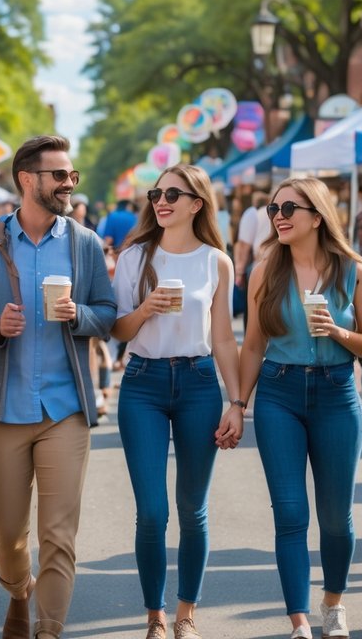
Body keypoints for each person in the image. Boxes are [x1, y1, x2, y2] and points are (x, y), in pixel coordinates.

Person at [0, 135, 117, 639]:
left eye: (72, 175)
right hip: (1, 408)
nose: (69, 183)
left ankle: (49, 630)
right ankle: (18, 589)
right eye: (59, 175)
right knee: (7, 532)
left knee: (58, 533)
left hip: (65, 409)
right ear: (28, 180)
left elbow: (108, 314)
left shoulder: (84, 243)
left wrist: (80, 315)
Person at [236, 177, 362, 639]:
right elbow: (254, 345)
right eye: (272, 208)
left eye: (288, 208)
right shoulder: (265, 271)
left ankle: (333, 603)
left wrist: (339, 334)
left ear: (317, 216)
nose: (278, 215)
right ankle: (299, 619)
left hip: (337, 394)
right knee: (290, 513)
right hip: (278, 395)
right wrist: (238, 403)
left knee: (337, 518)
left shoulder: (355, 272)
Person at [111, 164, 244, 639]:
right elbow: (116, 330)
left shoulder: (216, 262)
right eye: (157, 192)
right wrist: (146, 309)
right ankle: (155, 616)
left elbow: (225, 340)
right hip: (143, 383)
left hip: (199, 383)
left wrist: (237, 403)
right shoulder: (134, 258)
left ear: (197, 203)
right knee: (152, 511)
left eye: (173, 193)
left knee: (192, 508)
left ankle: (186, 613)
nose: (161, 200)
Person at [233, 190, 271, 328]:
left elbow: (244, 245)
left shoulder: (252, 213)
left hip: (258, 265)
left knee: (252, 311)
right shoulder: (273, 212)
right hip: (275, 265)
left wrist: (239, 271)